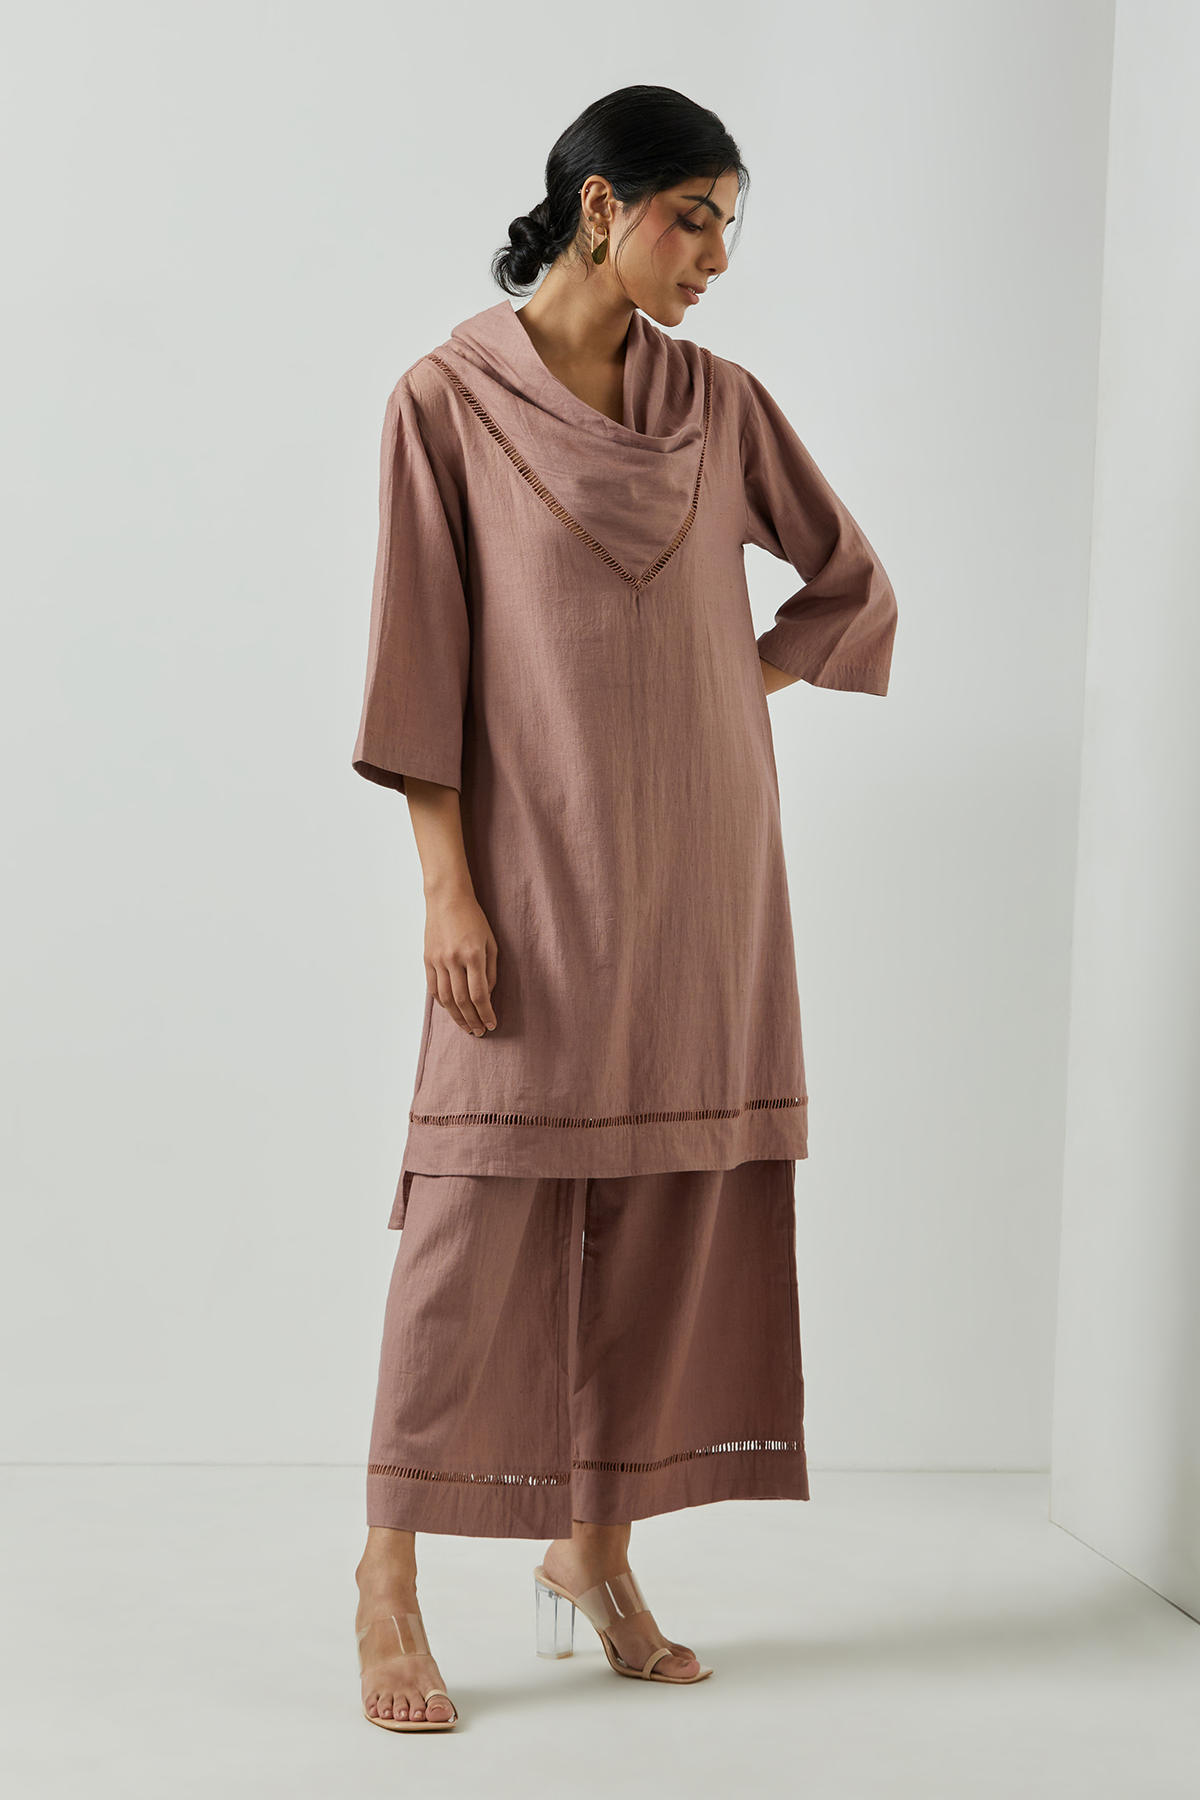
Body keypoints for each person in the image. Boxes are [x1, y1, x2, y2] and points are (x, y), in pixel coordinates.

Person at [349, 84, 897, 1732]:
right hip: (529, 870)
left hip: (707, 870)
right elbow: (419, 663)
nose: (717, 255)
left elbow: (849, 583)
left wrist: (725, 684)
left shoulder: (721, 404)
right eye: (692, 218)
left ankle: (595, 1556)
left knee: (668, 1198)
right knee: (474, 1216)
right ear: (600, 207)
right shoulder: (446, 402)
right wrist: (447, 890)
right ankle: (386, 1575)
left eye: (730, 223)